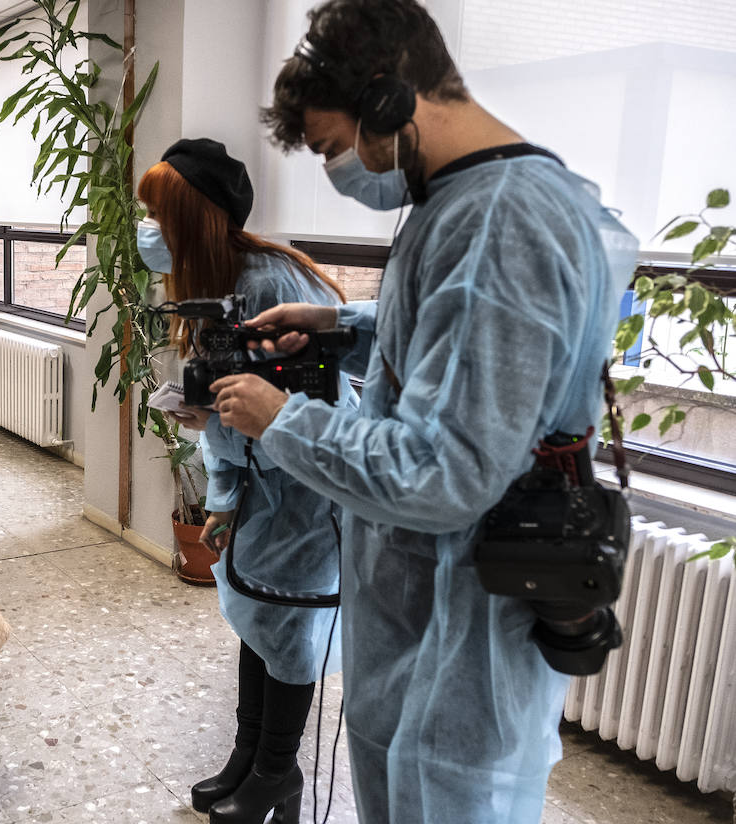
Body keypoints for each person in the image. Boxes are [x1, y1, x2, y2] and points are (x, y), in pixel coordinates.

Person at [206, 2, 640, 822]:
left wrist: (281, 418)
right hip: (426, 628)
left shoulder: (496, 221)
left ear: (388, 100)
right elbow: (465, 343)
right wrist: (341, 324)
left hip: (454, 654)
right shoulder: (476, 200)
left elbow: (443, 472)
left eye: (336, 147)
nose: (342, 170)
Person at [137, 138, 353, 824]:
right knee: (258, 624)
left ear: (195, 220)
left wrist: (224, 426)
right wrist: (223, 490)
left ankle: (276, 775)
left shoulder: (267, 287)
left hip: (305, 498)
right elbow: (239, 410)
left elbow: (298, 420)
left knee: (285, 628)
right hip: (265, 492)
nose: (150, 233)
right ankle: (246, 758)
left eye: (160, 217)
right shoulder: (219, 282)